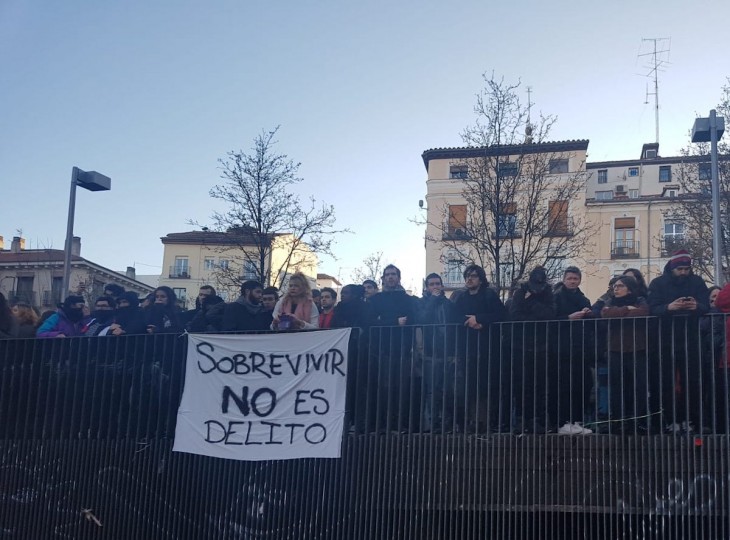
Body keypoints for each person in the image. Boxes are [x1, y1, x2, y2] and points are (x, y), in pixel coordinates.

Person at [648, 249, 710, 434]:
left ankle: (690, 419)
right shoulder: (658, 283)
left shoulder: (697, 282)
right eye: (680, 269)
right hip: (665, 338)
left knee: (691, 381)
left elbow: (706, 305)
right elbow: (652, 308)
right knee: (665, 382)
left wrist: (696, 306)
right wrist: (669, 307)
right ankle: (670, 419)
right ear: (672, 267)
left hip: (690, 337)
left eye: (686, 269)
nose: (683, 272)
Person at [451, 265, 507, 433]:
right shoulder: (461, 297)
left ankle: (485, 421)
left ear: (481, 279)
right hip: (467, 349)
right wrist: (467, 321)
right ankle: (469, 422)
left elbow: (501, 314)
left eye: (474, 276)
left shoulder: (489, 295)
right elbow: (454, 315)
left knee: (486, 387)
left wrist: (480, 319)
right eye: (467, 275)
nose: (470, 278)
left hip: (488, 349)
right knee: (468, 387)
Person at [366, 264, 419, 432]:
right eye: (387, 274)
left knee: (402, 388)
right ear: (383, 278)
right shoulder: (375, 300)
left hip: (403, 349)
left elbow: (412, 319)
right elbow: (371, 321)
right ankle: (381, 423)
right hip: (381, 349)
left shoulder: (407, 299)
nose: (390, 277)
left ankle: (400, 423)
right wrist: (394, 322)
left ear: (398, 278)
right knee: (382, 388)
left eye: (393, 274)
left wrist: (385, 319)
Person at [508, 267, 557, 433]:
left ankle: (536, 420)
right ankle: (522, 420)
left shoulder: (547, 293)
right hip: (521, 345)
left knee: (539, 386)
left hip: (541, 345)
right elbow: (514, 315)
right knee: (521, 385)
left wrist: (531, 302)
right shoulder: (521, 292)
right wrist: (536, 315)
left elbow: (550, 314)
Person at [600, 275, 650, 433]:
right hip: (616, 350)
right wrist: (627, 309)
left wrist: (619, 312)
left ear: (629, 288)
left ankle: (638, 420)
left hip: (637, 349)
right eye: (615, 286)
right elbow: (605, 314)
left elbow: (644, 312)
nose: (616, 288)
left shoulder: (640, 300)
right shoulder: (610, 301)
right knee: (616, 388)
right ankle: (617, 421)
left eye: (620, 286)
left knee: (639, 387)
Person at [553, 266, 594, 435]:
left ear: (579, 280)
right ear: (564, 279)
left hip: (579, 347)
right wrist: (568, 318)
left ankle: (577, 420)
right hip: (561, 348)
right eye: (569, 278)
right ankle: (563, 421)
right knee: (563, 386)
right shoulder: (555, 298)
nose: (572, 281)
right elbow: (550, 319)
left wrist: (588, 314)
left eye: (575, 279)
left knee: (583, 384)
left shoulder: (584, 299)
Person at [416, 273, 458, 432]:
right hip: (430, 352)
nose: (435, 287)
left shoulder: (448, 304)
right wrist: (432, 300)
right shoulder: (422, 303)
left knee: (447, 389)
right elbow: (421, 319)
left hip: (447, 352)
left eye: (437, 284)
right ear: (427, 287)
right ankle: (432, 423)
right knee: (432, 390)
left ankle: (446, 422)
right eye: (432, 284)